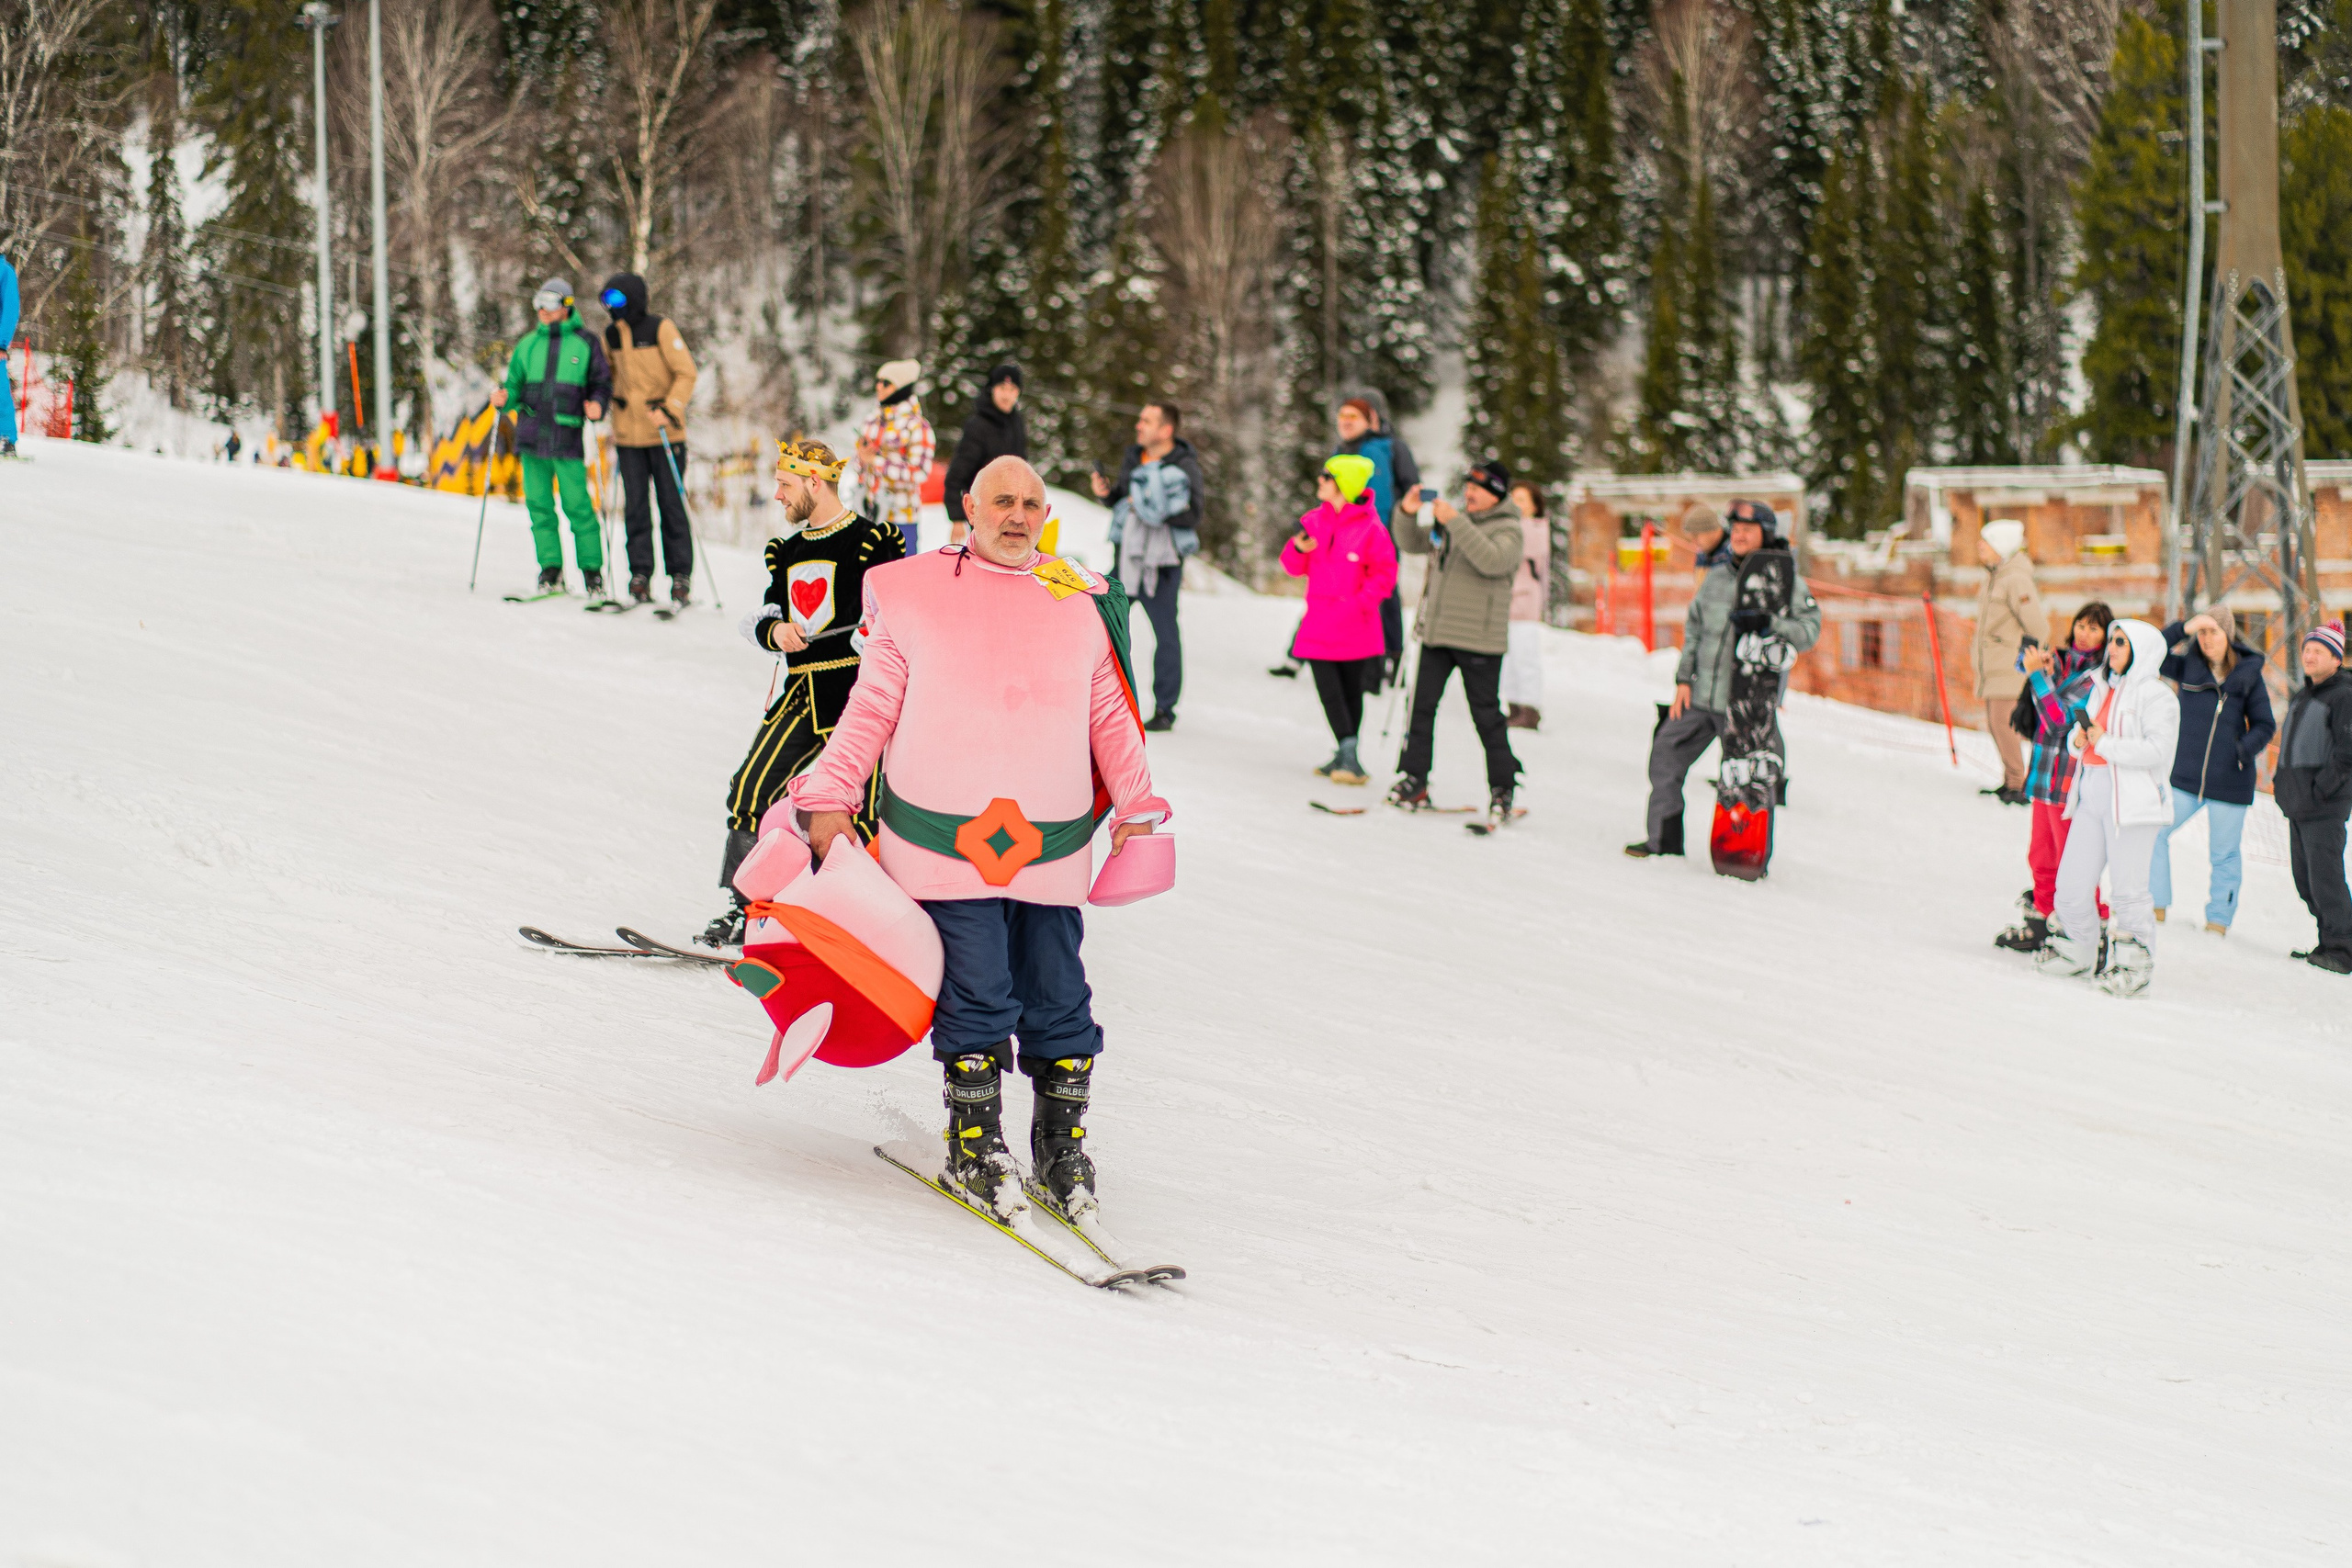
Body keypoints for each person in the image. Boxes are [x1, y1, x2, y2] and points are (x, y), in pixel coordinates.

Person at [792, 455, 1168, 1221]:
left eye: (1032, 502)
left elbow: (1109, 718)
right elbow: (871, 709)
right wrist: (830, 792)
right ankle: (976, 1141)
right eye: (1003, 500)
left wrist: (1138, 803)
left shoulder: (1078, 599)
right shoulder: (909, 591)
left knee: (1060, 994)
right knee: (977, 988)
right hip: (938, 842)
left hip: (1051, 846)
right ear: (968, 504)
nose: (1019, 515)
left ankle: (1061, 1144)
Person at [700, 437, 908, 948]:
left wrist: (872, 632)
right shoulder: (786, 551)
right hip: (801, 692)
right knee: (750, 789)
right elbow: (769, 615)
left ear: (816, 482)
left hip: (860, 695)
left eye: (786, 485)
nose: (777, 495)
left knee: (864, 811)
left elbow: (900, 611)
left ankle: (859, 920)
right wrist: (777, 633)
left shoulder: (872, 539)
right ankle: (743, 907)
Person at [1626, 500, 1821, 857]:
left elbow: (1809, 631)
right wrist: (1684, 679)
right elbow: (1695, 631)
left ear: (1767, 533)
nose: (1739, 534)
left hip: (1745, 700)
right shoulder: (1716, 577)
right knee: (1665, 754)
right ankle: (1664, 841)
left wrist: (1770, 624)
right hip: (1700, 695)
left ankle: (1742, 850)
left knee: (1746, 780)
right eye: (1735, 527)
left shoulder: (1786, 579)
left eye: (1748, 528)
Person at [2036, 619, 2177, 996]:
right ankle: (2077, 950)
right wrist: (2078, 741)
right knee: (2071, 883)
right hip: (2092, 794)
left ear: (2141, 650)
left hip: (2133, 803)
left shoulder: (2158, 696)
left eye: (2120, 643)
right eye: (2112, 642)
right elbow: (2080, 743)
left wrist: (2106, 743)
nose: (2111, 649)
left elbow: (2157, 751)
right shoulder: (2100, 687)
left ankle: (2134, 964)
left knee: (2128, 891)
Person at [1388, 459, 1525, 824]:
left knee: (1486, 717)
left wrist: (1455, 522)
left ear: (1496, 494)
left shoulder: (1509, 529)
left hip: (1479, 639)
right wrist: (1406, 511)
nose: (1469, 494)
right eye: (1467, 487)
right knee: (1420, 707)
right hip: (1439, 631)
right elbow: (1412, 543)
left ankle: (1502, 789)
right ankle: (1414, 778)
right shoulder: (1455, 522)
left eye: (1477, 489)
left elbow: (1492, 561)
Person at [2149, 604, 2275, 934]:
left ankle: (2218, 921)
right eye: (2201, 632)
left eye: (2213, 631)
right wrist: (2184, 627)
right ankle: (2155, 904)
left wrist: (2239, 752)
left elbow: (2265, 724)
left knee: (2224, 854)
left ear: (2228, 636)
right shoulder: (2188, 667)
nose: (2206, 639)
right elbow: (2151, 652)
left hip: (2230, 782)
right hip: (2184, 778)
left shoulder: (2248, 674)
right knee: (2154, 832)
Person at [1996, 601, 2113, 953]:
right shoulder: (2062, 662)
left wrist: (2037, 676)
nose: (2084, 632)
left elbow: (2060, 721)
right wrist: (2038, 666)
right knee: (2042, 856)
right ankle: (2042, 922)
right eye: (2081, 624)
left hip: (2068, 785)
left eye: (2094, 629)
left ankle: (2095, 929)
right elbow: (2022, 662)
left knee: (2074, 861)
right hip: (2044, 778)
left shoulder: (2098, 679)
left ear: (2106, 638)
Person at [1281, 454, 1397, 784]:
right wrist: (1298, 548)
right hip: (1318, 621)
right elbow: (1291, 566)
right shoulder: (1313, 520)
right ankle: (1348, 752)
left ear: (1343, 484)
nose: (1319, 481)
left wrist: (1360, 603)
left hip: (1356, 624)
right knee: (1329, 690)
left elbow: (1385, 573)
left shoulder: (1372, 528)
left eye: (1325, 476)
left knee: (1350, 692)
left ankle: (1346, 755)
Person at [492, 277, 612, 596]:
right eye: (539, 303)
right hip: (531, 437)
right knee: (539, 507)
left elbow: (601, 383)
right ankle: (551, 570)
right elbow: (514, 384)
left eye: (551, 303)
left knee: (578, 508)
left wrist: (598, 404)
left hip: (566, 436)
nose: (543, 310)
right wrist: (506, 398)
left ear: (566, 306)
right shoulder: (528, 344)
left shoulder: (586, 343)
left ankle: (592, 573)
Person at [1091, 401, 1204, 731]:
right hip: (1126, 556)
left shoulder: (1184, 466)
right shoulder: (1133, 456)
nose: (1139, 425)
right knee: (1103, 620)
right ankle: (1098, 693)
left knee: (1165, 633)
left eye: (1146, 421)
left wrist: (1153, 510)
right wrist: (1107, 494)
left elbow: (1194, 514)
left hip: (1162, 563)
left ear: (1166, 430)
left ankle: (1165, 709)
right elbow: (1121, 498)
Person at [598, 271, 699, 609]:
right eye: (607, 301)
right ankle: (640, 574)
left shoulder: (659, 328)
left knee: (671, 505)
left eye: (617, 300)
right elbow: (607, 375)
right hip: (629, 436)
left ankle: (680, 577)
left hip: (664, 433)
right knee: (636, 509)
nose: (612, 308)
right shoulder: (611, 335)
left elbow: (686, 371)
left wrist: (670, 407)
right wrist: (605, 399)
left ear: (634, 298)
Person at [2275, 623, 2352, 973]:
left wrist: (2320, 790)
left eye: (2319, 651)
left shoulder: (2344, 695)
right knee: (2306, 882)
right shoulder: (2304, 695)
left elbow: (2347, 753)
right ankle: (2327, 942)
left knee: (2326, 881)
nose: (2309, 655)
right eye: (2307, 649)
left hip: (2324, 806)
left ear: (2336, 659)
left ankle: (2342, 950)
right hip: (2299, 805)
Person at [1972, 518, 2047, 804]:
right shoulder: (1995, 577)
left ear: (2001, 547)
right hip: (1993, 667)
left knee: (2002, 724)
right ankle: (2010, 779)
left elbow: (2037, 627)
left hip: (2007, 668)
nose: (1980, 546)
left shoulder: (2015, 579)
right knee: (1996, 723)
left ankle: (2018, 784)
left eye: (1986, 542)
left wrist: (2021, 660)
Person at [857, 358, 935, 557]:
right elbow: (860, 464)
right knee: (867, 574)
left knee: (901, 577)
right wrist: (861, 459)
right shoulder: (871, 420)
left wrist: (877, 462)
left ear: (901, 387)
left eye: (886, 382)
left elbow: (919, 472)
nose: (879, 386)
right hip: (869, 513)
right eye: (878, 381)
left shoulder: (917, 426)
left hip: (902, 516)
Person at [942, 364, 1025, 547]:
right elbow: (956, 475)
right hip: (985, 513)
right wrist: (957, 517)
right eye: (1002, 388)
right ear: (992, 390)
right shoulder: (978, 425)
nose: (1006, 394)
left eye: (1012, 389)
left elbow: (1022, 466)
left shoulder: (1016, 422)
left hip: (1013, 513)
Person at [1501, 481, 1552, 729]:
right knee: (1509, 657)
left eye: (1522, 500)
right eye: (1514, 499)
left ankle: (1530, 708)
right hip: (1507, 602)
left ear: (1534, 506)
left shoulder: (1535, 528)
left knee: (1525, 655)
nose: (1516, 504)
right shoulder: (1511, 528)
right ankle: (1514, 705)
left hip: (1525, 602)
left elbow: (1521, 549)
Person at [0, 249, 18, 459]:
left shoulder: (4, 272)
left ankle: (6, 438)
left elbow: (10, 309)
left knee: (0, 392)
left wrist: (2, 344)